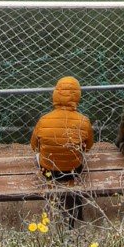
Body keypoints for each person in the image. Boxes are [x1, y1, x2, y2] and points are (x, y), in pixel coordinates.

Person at [30, 77, 95, 222]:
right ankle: (75, 210)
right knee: (80, 155)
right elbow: (88, 147)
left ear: (55, 94)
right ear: (77, 95)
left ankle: (52, 197)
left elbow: (34, 146)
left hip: (49, 170)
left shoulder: (43, 120)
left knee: (38, 156)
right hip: (73, 170)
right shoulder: (84, 121)